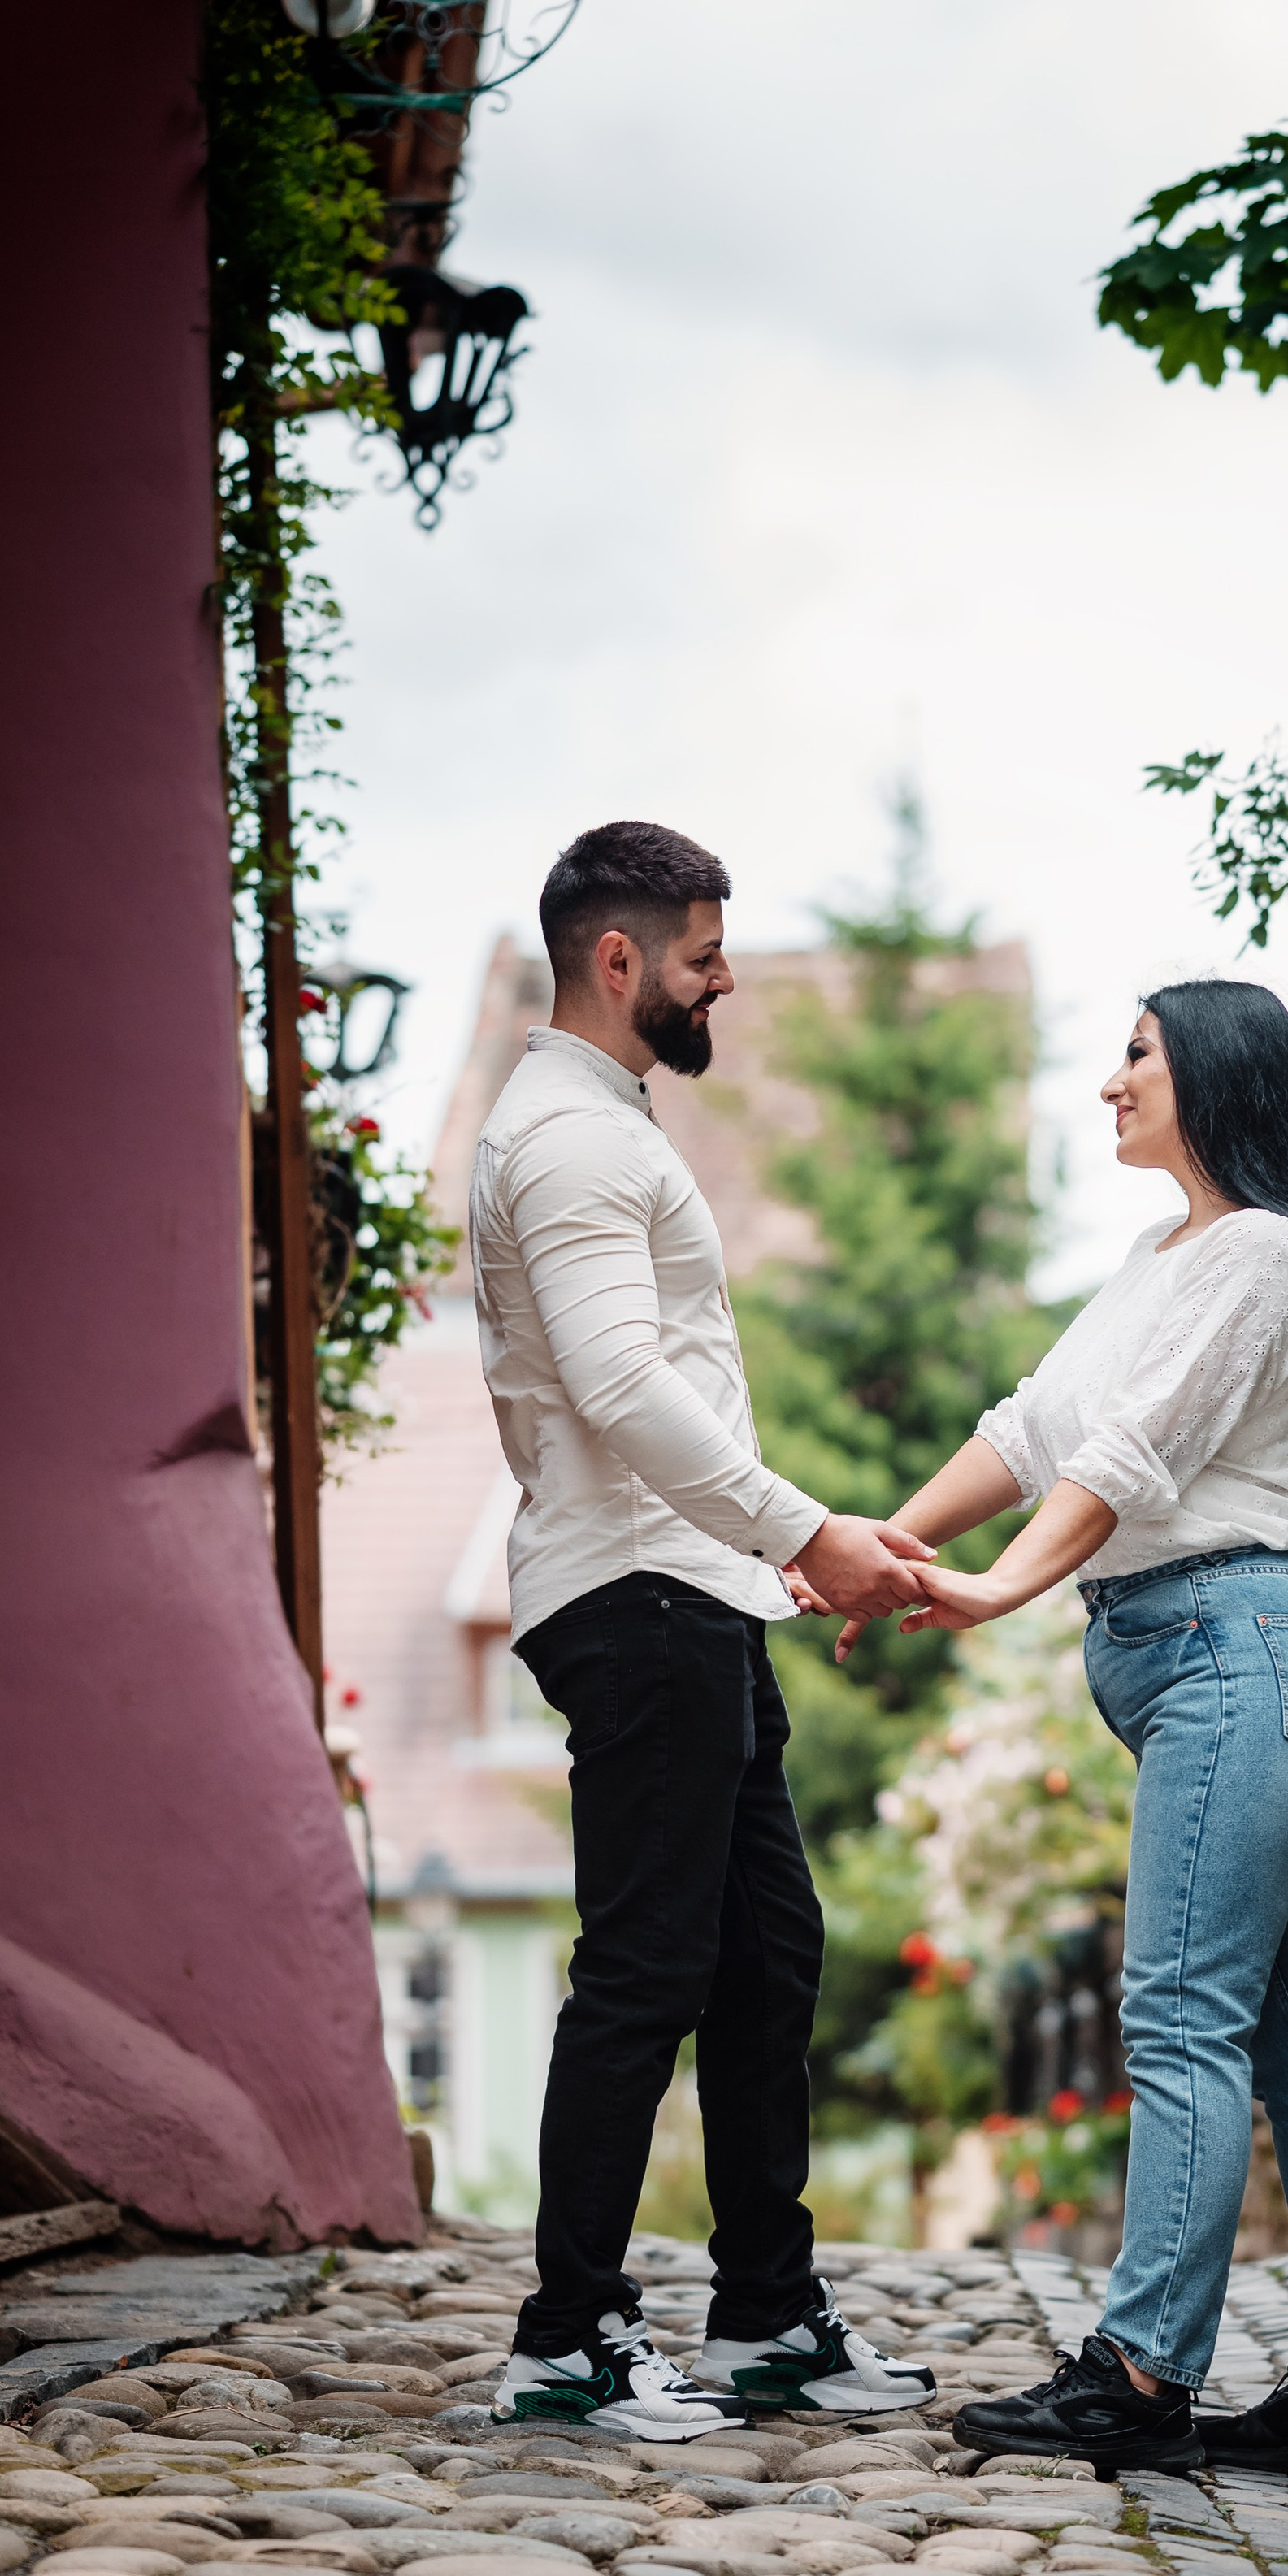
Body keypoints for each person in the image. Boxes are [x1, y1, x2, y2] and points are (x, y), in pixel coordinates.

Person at [832, 981, 1288, 2480]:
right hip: (1222, 1664)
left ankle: (1141, 2374)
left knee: (1176, 2014)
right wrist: (881, 1548)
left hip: (1240, 1655)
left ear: (1215, 1078)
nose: (1109, 1082)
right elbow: (1037, 1423)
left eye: (1138, 1055)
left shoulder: (1264, 1255)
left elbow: (1125, 1459)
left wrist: (1000, 1585)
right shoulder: (1160, 1255)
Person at [471, 818, 943, 2439]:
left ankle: (765, 2313)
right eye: (702, 951)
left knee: (767, 1953)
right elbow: (619, 1386)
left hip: (694, 1588)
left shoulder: (600, 1123)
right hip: (638, 1594)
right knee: (654, 1962)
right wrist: (801, 1525)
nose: (723, 973)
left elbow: (651, 1384)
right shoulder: (571, 1140)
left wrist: (767, 1558)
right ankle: (570, 2334)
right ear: (621, 959)